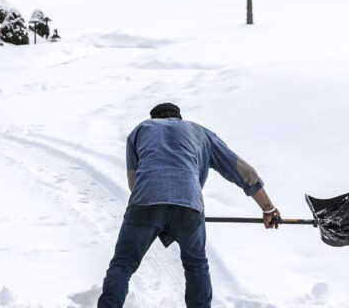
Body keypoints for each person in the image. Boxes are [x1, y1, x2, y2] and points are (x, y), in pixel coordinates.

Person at [98, 103, 279, 308]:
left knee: (122, 264)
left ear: (153, 119)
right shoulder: (200, 133)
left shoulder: (140, 130)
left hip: (145, 202)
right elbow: (242, 171)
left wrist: (158, 214)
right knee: (196, 266)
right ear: (179, 118)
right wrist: (268, 208)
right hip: (189, 205)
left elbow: (134, 181)